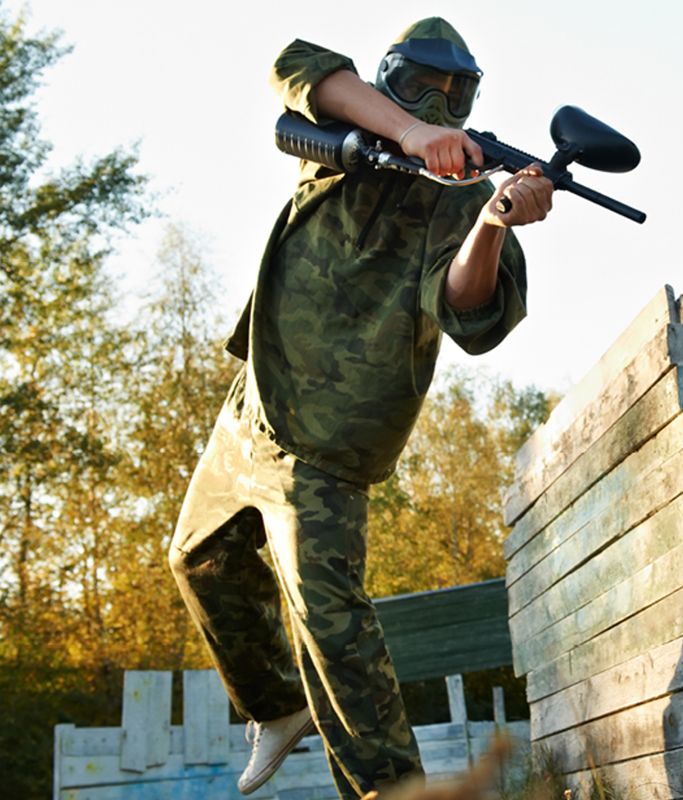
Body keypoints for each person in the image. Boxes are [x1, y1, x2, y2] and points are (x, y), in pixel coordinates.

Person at [167, 18, 554, 799]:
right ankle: (276, 707)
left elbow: (467, 313)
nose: (439, 104)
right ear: (391, 82)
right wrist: (410, 134)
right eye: (423, 88)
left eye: (454, 96)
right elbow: (295, 64)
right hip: (254, 406)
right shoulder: (346, 136)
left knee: (332, 631)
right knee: (196, 558)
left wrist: (492, 219)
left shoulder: (459, 200)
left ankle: (391, 791)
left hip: (327, 445)